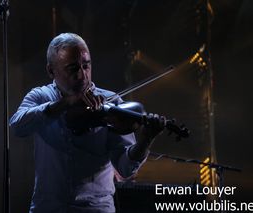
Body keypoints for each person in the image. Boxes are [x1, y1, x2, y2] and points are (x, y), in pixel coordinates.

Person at [10, 32, 165, 213]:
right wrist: (65, 103)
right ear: (51, 70)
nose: (82, 75)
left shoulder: (111, 103)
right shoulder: (41, 96)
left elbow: (125, 168)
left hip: (95, 208)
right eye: (73, 68)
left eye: (86, 66)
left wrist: (145, 141)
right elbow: (17, 126)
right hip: (48, 207)